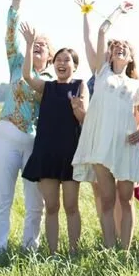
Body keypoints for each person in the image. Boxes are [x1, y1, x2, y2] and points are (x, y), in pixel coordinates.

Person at [71, 0, 139, 250]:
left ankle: (125, 251)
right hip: (102, 146)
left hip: (125, 145)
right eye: (116, 47)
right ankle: (109, 247)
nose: (119, 48)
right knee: (107, 199)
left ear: (131, 57)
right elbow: (101, 31)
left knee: (126, 200)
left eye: (125, 47)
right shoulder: (101, 72)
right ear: (110, 54)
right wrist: (118, 11)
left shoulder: (136, 86)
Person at [0, 0, 51, 254]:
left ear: (49, 56)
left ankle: (30, 249)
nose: (37, 46)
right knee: (2, 197)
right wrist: (16, 2)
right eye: (34, 43)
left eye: (42, 46)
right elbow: (9, 36)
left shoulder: (49, 80)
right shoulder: (16, 65)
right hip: (5, 137)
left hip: (34, 144)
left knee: (35, 202)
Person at [20, 28, 88, 255]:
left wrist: (77, 110)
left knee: (71, 206)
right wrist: (30, 44)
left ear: (74, 66)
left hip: (70, 154)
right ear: (53, 64)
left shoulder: (80, 86)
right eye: (58, 60)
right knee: (51, 207)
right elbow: (28, 76)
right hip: (46, 154)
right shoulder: (47, 86)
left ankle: (73, 251)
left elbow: (84, 119)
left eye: (66, 60)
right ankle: (52, 253)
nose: (61, 63)